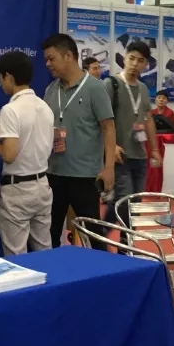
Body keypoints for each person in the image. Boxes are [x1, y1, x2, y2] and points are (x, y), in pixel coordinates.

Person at [42, 34, 116, 247]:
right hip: (54, 174)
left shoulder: (95, 88)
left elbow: (109, 128)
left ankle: (101, 267)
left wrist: (109, 167)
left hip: (85, 177)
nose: (48, 64)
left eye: (51, 58)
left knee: (92, 236)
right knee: (49, 234)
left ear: (68, 56)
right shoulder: (51, 90)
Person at [0, 51, 54, 254]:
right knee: (44, 249)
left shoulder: (11, 109)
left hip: (18, 189)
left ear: (9, 77)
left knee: (16, 254)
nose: (0, 84)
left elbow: (9, 155)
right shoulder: (44, 106)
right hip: (42, 185)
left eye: (0, 79)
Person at [103, 41, 161, 225]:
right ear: (124, 58)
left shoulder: (143, 88)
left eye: (140, 60)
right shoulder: (111, 84)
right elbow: (102, 120)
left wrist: (154, 149)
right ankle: (102, 233)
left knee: (136, 203)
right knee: (123, 199)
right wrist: (111, 146)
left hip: (139, 155)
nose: (135, 64)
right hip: (119, 155)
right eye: (132, 58)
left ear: (146, 64)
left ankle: (125, 239)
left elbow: (148, 119)